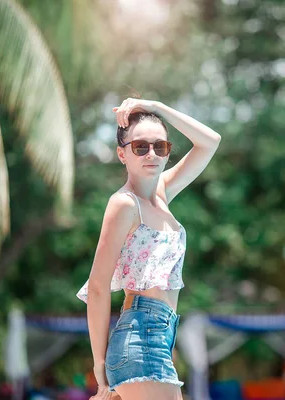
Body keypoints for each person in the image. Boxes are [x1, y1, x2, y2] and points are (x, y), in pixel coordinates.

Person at [76, 97, 221, 400]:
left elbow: (210, 141)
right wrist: (99, 362)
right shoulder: (124, 204)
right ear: (122, 154)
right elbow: (99, 287)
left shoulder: (163, 192)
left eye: (161, 146)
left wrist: (156, 107)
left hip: (162, 337)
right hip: (139, 337)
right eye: (140, 147)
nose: (151, 153)